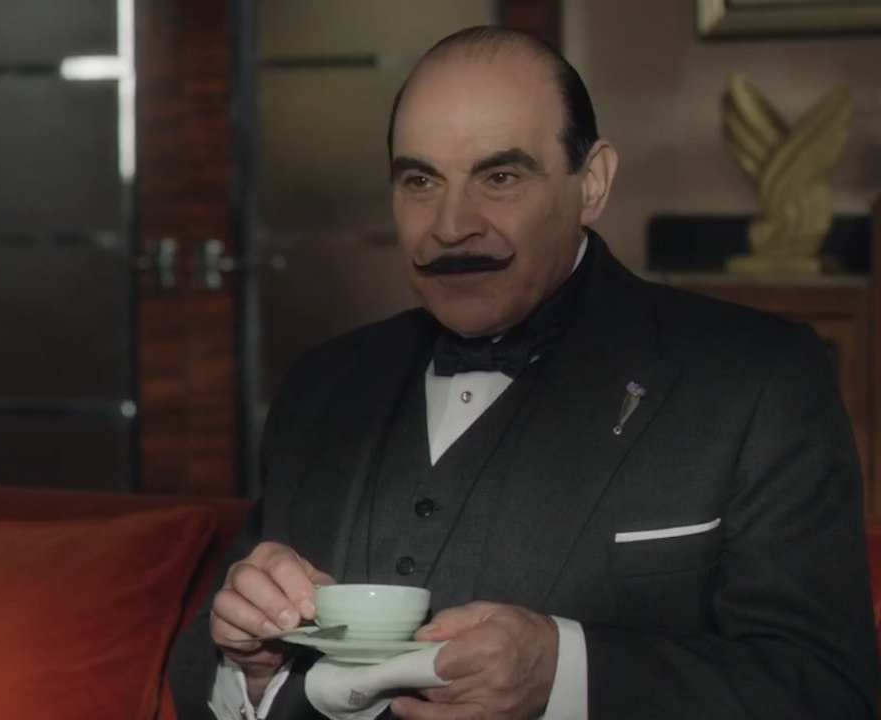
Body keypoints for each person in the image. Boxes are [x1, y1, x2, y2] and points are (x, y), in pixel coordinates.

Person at [167, 25, 880, 720]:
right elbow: (203, 661)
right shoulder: (321, 387)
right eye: (420, 180)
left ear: (592, 183)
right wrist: (250, 668)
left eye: (500, 177)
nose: (451, 225)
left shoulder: (757, 379)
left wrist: (565, 673)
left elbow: (827, 691)